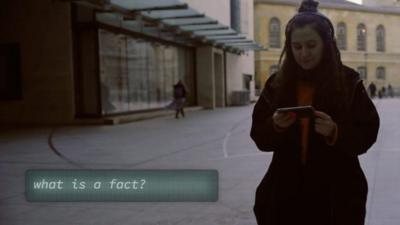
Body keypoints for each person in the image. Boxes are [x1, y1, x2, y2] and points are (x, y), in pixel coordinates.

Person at [250, 1, 380, 225]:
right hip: (287, 192)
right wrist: (275, 126)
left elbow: (367, 134)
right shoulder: (277, 84)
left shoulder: (349, 82)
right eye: (297, 46)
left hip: (336, 195)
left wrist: (335, 131)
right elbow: (259, 136)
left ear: (326, 44)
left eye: (311, 45)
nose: (304, 53)